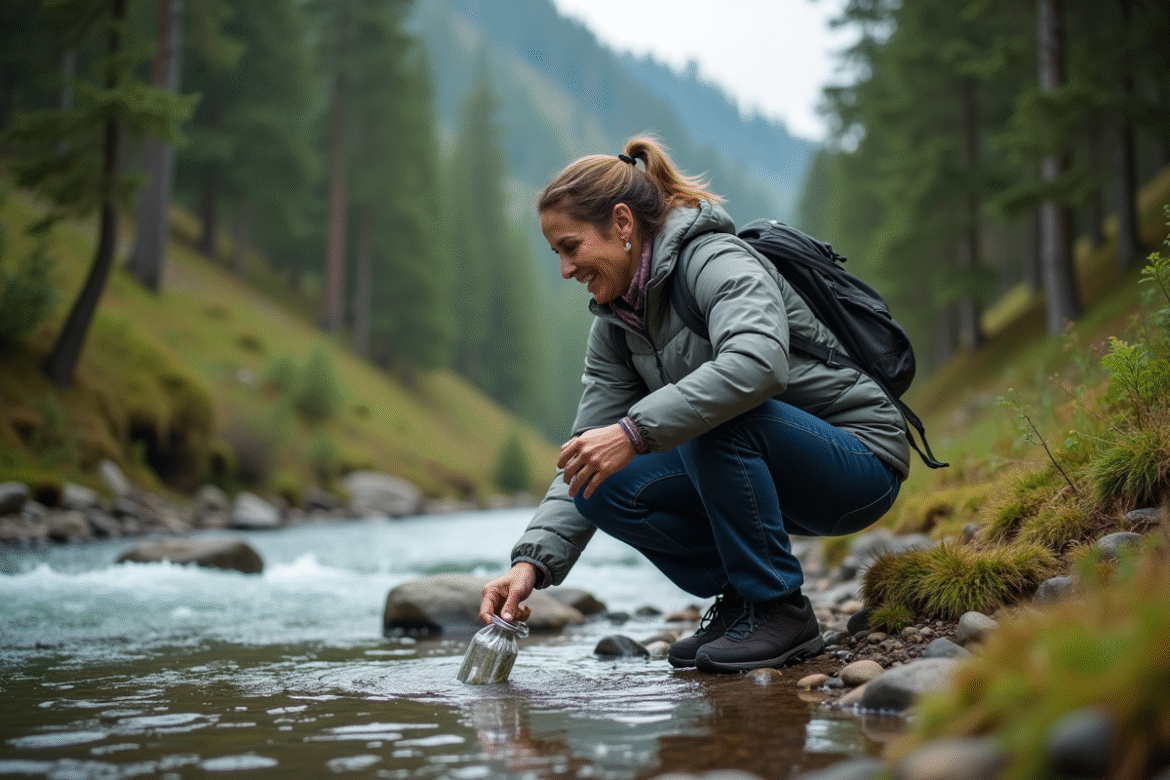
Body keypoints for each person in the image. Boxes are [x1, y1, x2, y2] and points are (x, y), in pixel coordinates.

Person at [478, 136, 910, 673]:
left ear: (622, 223)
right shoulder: (616, 325)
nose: (565, 270)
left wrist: (635, 433)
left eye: (570, 247)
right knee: (597, 481)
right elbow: (583, 457)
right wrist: (531, 565)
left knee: (711, 420)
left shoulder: (714, 260)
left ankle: (779, 607)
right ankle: (743, 602)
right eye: (557, 255)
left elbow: (757, 363)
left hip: (858, 464)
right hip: (767, 469)